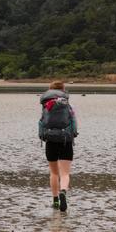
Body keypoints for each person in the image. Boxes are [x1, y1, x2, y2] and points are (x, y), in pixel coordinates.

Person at [38, 80, 78, 211]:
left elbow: (41, 122)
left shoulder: (46, 104)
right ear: (63, 90)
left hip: (50, 140)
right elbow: (73, 121)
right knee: (65, 173)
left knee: (54, 173)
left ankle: (55, 201)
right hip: (65, 139)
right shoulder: (66, 104)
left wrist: (42, 136)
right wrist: (73, 135)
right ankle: (63, 192)